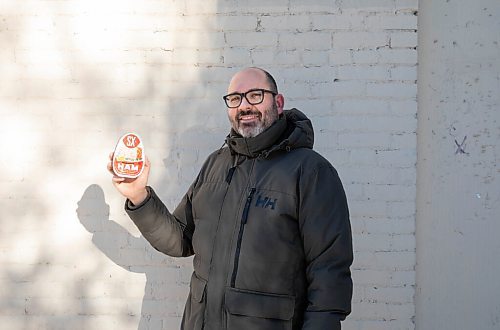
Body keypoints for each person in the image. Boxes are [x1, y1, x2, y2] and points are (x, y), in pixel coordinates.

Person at [108, 67, 353, 330]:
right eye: (235, 99)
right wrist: (139, 196)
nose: (244, 106)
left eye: (255, 95)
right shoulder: (216, 164)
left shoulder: (310, 172)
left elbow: (328, 271)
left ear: (278, 103)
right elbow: (180, 239)